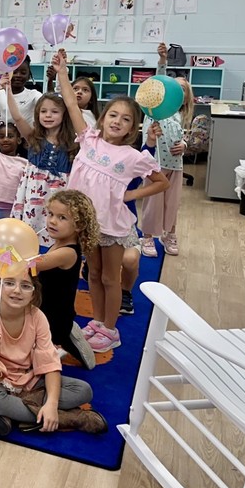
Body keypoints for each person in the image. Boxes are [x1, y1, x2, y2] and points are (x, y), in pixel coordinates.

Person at [55, 50, 169, 352]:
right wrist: (63, 73)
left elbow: (161, 182)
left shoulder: (133, 157)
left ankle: (110, 328)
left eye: (126, 119)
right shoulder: (88, 139)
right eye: (113, 115)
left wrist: (129, 194)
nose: (118, 122)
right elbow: (69, 101)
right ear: (103, 119)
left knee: (109, 277)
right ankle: (97, 320)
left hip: (113, 226)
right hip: (87, 222)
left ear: (133, 128)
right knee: (92, 273)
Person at [0, 268, 107, 437]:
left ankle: (14, 413)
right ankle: (71, 418)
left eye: (26, 286)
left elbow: (49, 364)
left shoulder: (37, 316)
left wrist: (51, 403)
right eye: (9, 283)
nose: (17, 290)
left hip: (30, 379)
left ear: (34, 294)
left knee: (83, 390)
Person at [4, 74, 77, 246]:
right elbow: (18, 118)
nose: (48, 115)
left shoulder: (72, 143)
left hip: (59, 195)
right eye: (43, 111)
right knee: (29, 233)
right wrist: (7, 90)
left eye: (54, 111)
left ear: (64, 115)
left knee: (56, 230)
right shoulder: (33, 138)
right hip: (32, 194)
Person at [36, 190, 100, 369]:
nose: (52, 221)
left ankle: (66, 341)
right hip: (45, 307)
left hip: (54, 317)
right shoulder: (58, 243)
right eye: (50, 214)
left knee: (39, 357)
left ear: (79, 225)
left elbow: (33, 265)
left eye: (62, 217)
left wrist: (12, 254)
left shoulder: (67, 252)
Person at [140, 43, 193, 257]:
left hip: (176, 165)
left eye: (182, 89)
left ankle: (170, 233)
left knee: (173, 203)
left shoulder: (180, 115)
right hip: (155, 165)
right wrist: (163, 61)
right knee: (153, 203)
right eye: (174, 87)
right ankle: (148, 237)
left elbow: (184, 137)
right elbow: (159, 81)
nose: (176, 91)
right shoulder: (157, 109)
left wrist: (185, 145)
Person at [0, 56, 41, 143]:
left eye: (23, 73)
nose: (18, 75)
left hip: (25, 141)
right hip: (5, 141)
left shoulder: (34, 95)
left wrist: (50, 81)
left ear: (28, 76)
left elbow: (50, 102)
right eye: (14, 72)